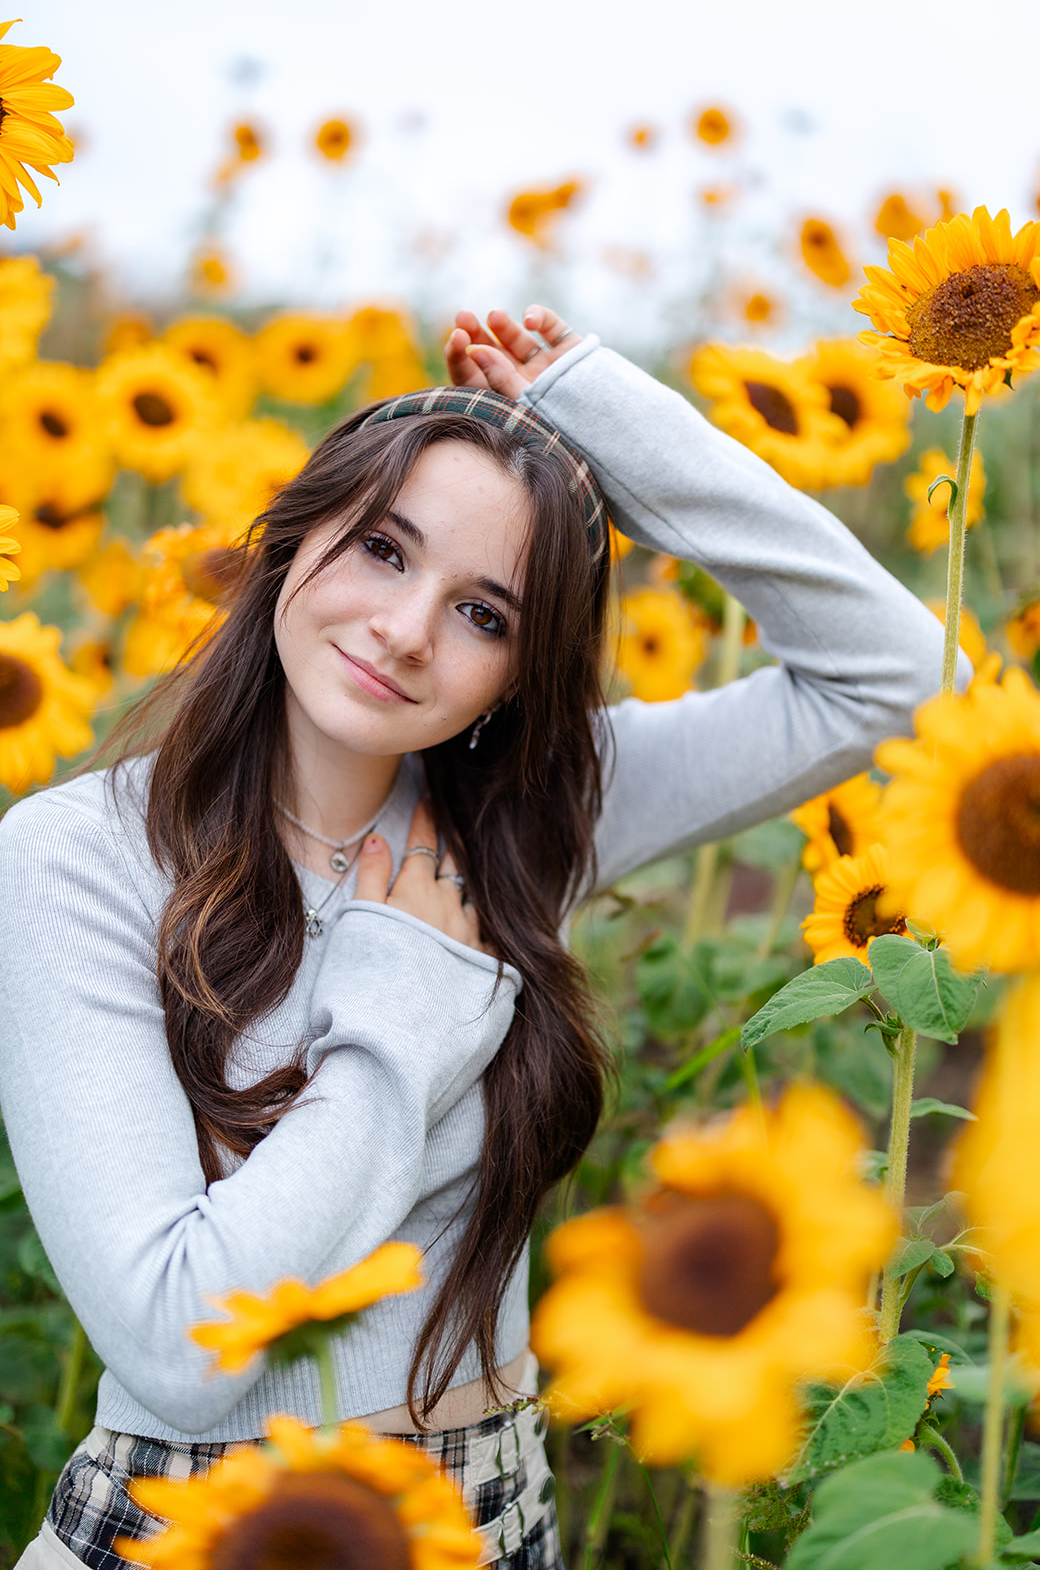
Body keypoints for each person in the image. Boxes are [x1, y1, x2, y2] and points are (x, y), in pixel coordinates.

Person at [0, 306, 951, 1570]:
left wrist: (588, 410)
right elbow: (179, 1341)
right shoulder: (80, 857)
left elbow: (893, 671)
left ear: (519, 674)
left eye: (485, 614)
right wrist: (399, 1010)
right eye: (383, 550)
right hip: (201, 1524)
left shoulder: (522, 820)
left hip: (489, 1512)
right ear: (295, 539)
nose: (404, 629)